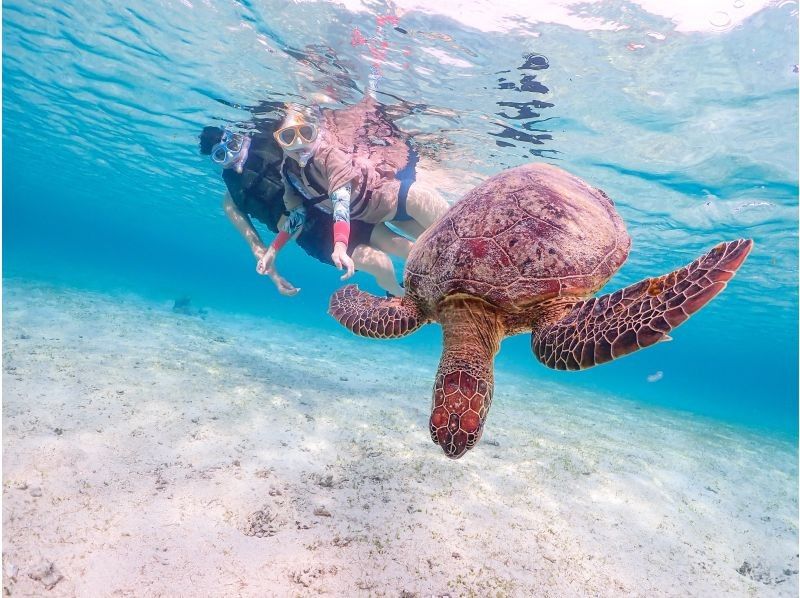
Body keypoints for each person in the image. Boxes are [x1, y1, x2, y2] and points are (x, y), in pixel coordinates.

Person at [199, 124, 411, 296]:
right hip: (314, 237)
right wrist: (275, 277)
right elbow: (256, 246)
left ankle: (436, 280)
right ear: (216, 162)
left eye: (234, 144)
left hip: (333, 209)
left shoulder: (274, 142)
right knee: (381, 264)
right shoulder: (232, 201)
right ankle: (398, 295)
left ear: (239, 136)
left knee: (403, 247)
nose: (234, 157)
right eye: (221, 156)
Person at [259, 99, 450, 287]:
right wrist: (272, 251)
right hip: (371, 217)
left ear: (317, 132)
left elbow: (341, 200)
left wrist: (340, 245)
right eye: (288, 136)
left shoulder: (330, 155)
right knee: (430, 253)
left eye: (306, 133)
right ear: (279, 141)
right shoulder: (288, 171)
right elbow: (297, 214)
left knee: (447, 238)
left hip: (394, 199)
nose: (298, 142)